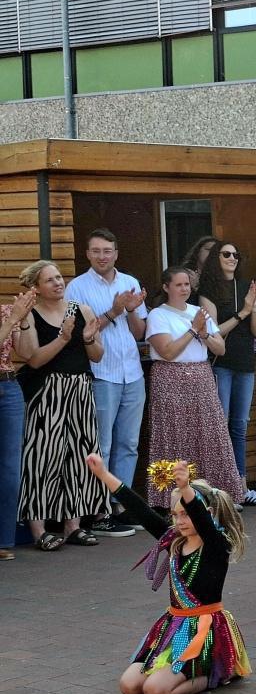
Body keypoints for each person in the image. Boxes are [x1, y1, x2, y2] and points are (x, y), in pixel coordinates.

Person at [86, 456, 250, 694]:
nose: (179, 521)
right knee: (129, 686)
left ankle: (217, 672)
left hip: (203, 631)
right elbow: (141, 511)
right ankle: (177, 672)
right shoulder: (174, 541)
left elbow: (204, 523)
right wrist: (103, 475)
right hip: (172, 626)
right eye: (175, 515)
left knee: (155, 691)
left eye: (185, 514)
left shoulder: (217, 546)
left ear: (203, 513)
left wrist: (185, 488)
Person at [15, 261, 107, 550]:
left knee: (81, 455)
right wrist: (64, 338)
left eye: (59, 277)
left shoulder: (81, 309)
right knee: (42, 456)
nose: (58, 283)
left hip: (79, 387)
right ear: (37, 287)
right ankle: (39, 529)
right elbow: (34, 358)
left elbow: (97, 355)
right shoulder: (29, 314)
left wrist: (88, 338)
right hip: (46, 390)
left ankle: (74, 526)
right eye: (50, 280)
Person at [65, 228, 147, 537]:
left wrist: (131, 310)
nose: (102, 256)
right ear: (87, 254)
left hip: (132, 371)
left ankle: (120, 505)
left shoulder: (129, 282)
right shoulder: (78, 287)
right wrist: (114, 310)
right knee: (103, 443)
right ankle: (98, 511)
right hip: (102, 373)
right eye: (96, 251)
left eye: (108, 251)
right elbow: (81, 333)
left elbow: (139, 332)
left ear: (116, 253)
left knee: (128, 443)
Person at [145, 268, 244, 510]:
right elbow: (167, 351)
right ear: (167, 287)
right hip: (171, 377)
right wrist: (192, 331)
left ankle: (215, 494)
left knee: (210, 433)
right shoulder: (158, 315)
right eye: (178, 285)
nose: (184, 289)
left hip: (201, 375)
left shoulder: (198, 313)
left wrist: (204, 333)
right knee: (175, 435)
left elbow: (220, 348)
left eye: (187, 284)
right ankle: (170, 497)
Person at [198, 239, 256, 506]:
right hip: (221, 363)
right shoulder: (208, 290)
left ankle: (240, 484)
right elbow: (214, 332)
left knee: (240, 425)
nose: (232, 258)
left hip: (245, 362)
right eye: (226, 254)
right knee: (221, 425)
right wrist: (243, 312)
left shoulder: (246, 286)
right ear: (217, 257)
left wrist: (254, 308)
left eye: (236, 254)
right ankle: (221, 488)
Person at [0, 290, 34, 560]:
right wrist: (12, 320)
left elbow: (25, 353)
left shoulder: (5, 311)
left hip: (9, 386)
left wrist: (23, 320)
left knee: (11, 469)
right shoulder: (6, 316)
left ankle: (4, 540)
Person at [181, 235, 218, 302]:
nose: (212, 253)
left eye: (216, 251)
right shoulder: (183, 272)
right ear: (198, 251)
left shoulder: (220, 276)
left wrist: (196, 287)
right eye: (209, 250)